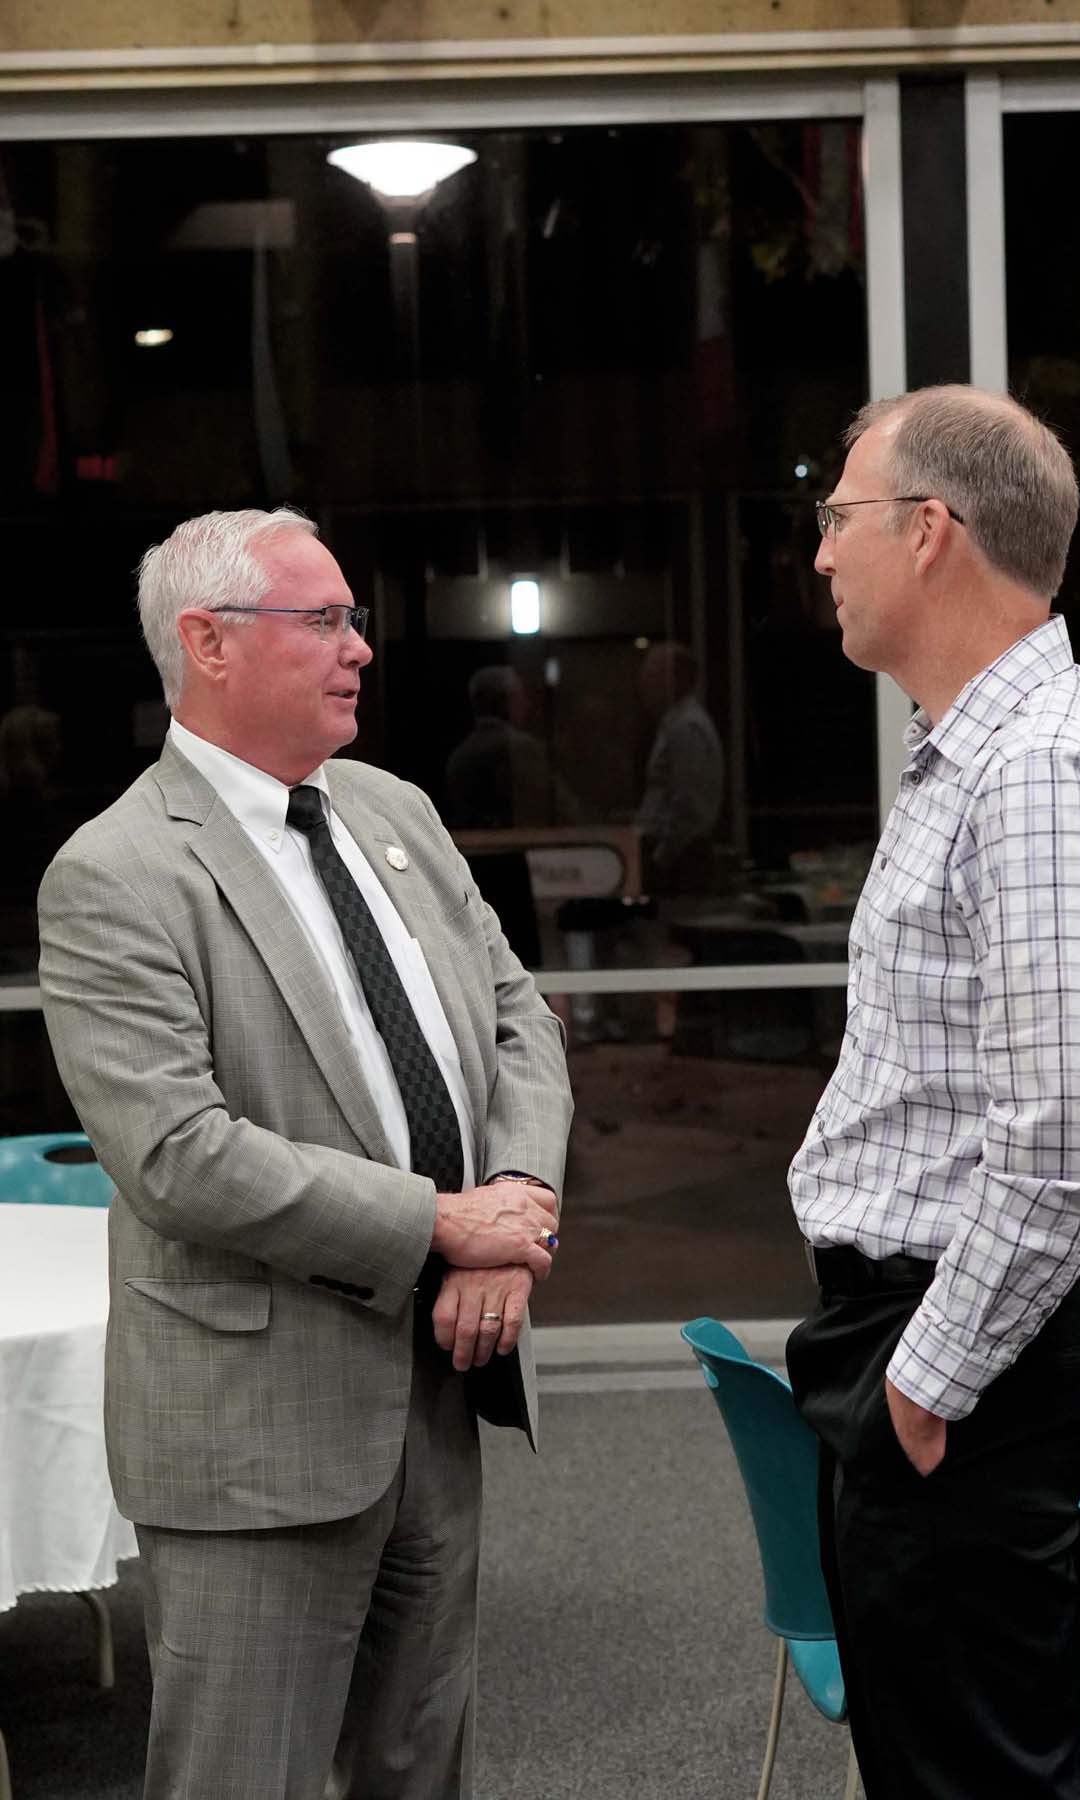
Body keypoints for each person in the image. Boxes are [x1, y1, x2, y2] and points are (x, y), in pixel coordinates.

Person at [37, 507, 574, 1800]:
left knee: (418, 1766)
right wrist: (445, 1228)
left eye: (353, 618)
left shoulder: (392, 811)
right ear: (208, 643)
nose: (361, 650)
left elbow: (519, 1019)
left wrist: (518, 1202)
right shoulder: (114, 874)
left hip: (441, 1389)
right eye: (324, 621)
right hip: (256, 1435)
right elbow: (179, 1155)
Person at [785, 386, 1080, 1800]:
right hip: (948, 1342)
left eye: (839, 516)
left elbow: (1064, 1149)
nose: (823, 553)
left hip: (969, 1354)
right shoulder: (990, 754)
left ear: (932, 531)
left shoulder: (1038, 775)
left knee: (976, 1783)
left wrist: (925, 1384)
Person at [635, 640, 724, 897]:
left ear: (676, 679)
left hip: (681, 859)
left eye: (652, 675)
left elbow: (689, 804)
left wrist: (660, 858)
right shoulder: (674, 723)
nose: (644, 684)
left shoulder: (685, 727)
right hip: (674, 854)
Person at [445, 663, 580, 831]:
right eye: (521, 696)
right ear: (508, 700)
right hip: (518, 849)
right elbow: (560, 808)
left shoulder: (459, 756)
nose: (527, 704)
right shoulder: (521, 748)